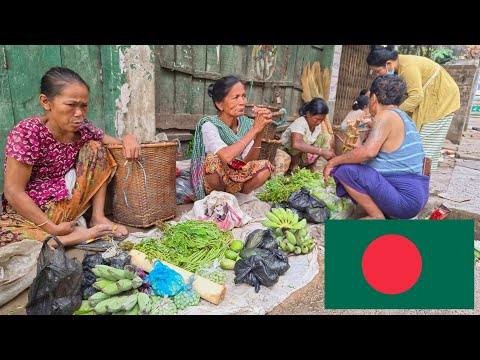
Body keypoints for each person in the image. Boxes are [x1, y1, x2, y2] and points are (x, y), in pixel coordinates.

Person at [0, 67, 141, 248]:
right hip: (35, 213)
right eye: (71, 105)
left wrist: (129, 138)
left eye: (84, 106)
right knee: (6, 235)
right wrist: (52, 227)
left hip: (68, 203)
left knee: (97, 148)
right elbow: (13, 192)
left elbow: (116, 145)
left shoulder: (83, 128)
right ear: (45, 102)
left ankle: (97, 218)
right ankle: (67, 238)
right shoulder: (27, 133)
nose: (79, 113)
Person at [323, 74, 430, 220]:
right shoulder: (403, 117)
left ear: (373, 99)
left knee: (344, 171)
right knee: (353, 169)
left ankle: (376, 217)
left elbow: (368, 153)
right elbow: (385, 158)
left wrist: (332, 162)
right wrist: (361, 147)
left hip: (405, 200)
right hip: (416, 196)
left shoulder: (385, 116)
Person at [367, 45, 460, 171]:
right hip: (428, 100)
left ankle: (422, 178)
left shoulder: (408, 68)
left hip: (441, 102)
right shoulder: (399, 68)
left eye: (378, 71)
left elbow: (416, 96)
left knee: (426, 146)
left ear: (388, 64)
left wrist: (391, 113)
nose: (377, 75)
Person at [190, 75, 274, 200]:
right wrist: (254, 130)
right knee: (212, 161)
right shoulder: (209, 125)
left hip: (237, 179)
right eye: (235, 97)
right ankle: (222, 199)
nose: (242, 102)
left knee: (266, 167)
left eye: (244, 96)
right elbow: (226, 156)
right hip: (216, 180)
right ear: (220, 104)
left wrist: (259, 132)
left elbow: (247, 163)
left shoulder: (246, 124)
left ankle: (238, 198)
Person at [280, 97, 336, 174]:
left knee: (327, 137)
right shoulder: (300, 123)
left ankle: (316, 170)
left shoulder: (317, 126)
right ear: (308, 114)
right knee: (301, 140)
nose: (319, 122)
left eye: (321, 120)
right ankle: (291, 169)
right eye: (317, 119)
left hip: (303, 157)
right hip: (289, 155)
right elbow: (296, 144)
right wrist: (321, 151)